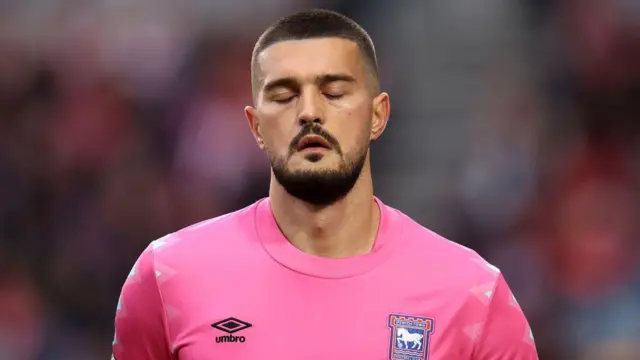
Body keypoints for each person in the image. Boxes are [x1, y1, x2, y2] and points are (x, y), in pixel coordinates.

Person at [111, 9, 539, 360]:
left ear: (377, 115)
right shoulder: (169, 276)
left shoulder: (471, 295)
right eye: (283, 95)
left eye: (334, 92)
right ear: (255, 126)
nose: (309, 112)